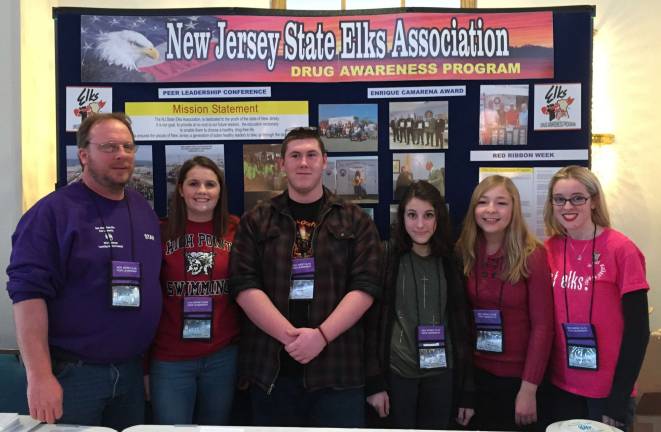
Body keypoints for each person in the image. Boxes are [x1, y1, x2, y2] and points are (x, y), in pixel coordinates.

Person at [6, 113, 162, 429]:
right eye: (108, 147)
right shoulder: (52, 213)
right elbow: (27, 296)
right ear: (83, 155)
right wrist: (39, 376)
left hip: (130, 374)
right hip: (74, 376)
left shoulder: (142, 209)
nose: (121, 155)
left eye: (127, 147)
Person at [229, 126, 382, 427]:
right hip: (272, 372)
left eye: (311, 155)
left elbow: (366, 286)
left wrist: (320, 336)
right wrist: (293, 338)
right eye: (295, 155)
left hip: (338, 373)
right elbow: (243, 284)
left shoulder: (357, 221)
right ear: (281, 163)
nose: (303, 163)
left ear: (325, 161)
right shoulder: (255, 221)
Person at [540, 165, 650, 430]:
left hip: (607, 392)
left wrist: (618, 398)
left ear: (594, 201)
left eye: (577, 197)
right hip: (560, 386)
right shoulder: (548, 249)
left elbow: (638, 331)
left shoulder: (621, 250)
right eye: (559, 199)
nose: (568, 206)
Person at [366, 181, 475, 429]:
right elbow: (371, 325)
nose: (420, 224)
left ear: (439, 218)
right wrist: (374, 383)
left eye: (428, 215)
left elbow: (462, 327)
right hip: (397, 372)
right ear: (401, 217)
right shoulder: (386, 257)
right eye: (412, 215)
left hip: (442, 374)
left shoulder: (451, 260)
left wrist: (466, 391)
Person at [456, 175, 554, 431]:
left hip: (519, 379)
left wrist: (528, 388)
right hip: (476, 377)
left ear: (514, 209)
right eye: (483, 202)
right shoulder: (464, 251)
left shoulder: (532, 255)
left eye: (501, 203)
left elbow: (543, 327)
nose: (490, 210)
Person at [149, 156, 240, 425]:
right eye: (194, 183)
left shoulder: (237, 229)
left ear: (220, 190)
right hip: (170, 358)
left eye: (210, 184)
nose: (202, 191)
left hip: (222, 357)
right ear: (180, 189)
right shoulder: (159, 232)